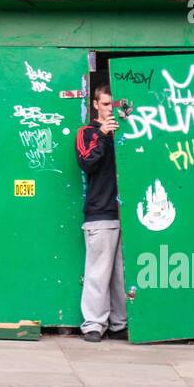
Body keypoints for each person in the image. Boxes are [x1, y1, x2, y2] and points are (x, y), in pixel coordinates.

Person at [74, 82, 127, 341]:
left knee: (122, 276)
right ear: (95, 105)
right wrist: (104, 135)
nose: (110, 110)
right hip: (101, 213)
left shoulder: (127, 130)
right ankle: (94, 324)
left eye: (114, 105)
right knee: (98, 272)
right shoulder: (87, 132)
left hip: (129, 213)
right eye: (105, 104)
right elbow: (87, 163)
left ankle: (120, 324)